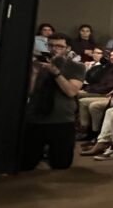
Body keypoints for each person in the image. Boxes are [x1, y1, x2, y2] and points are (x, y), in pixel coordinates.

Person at [21, 33, 85, 170]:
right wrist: (34, 73)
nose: (54, 49)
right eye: (50, 46)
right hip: (35, 117)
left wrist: (56, 72)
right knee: (27, 163)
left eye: (59, 46)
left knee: (61, 164)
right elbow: (30, 92)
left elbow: (71, 91)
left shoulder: (76, 66)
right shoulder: (37, 65)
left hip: (62, 119)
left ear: (68, 48)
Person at [76, 49, 113, 140]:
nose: (112, 57)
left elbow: (109, 87)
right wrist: (88, 89)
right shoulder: (111, 68)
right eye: (111, 55)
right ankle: (84, 129)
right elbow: (99, 82)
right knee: (81, 100)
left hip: (108, 94)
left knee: (79, 96)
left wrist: (88, 91)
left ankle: (94, 133)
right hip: (100, 91)